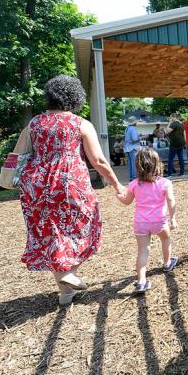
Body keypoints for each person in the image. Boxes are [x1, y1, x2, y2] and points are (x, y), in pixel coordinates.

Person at [16, 75, 124, 305]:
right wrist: (116, 184)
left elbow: (19, 155)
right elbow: (99, 161)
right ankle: (67, 273)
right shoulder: (80, 124)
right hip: (68, 182)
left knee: (52, 232)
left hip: (35, 184)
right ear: (76, 97)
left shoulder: (34, 123)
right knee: (86, 223)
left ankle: (66, 291)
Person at [116, 148, 178, 293]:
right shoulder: (165, 183)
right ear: (158, 164)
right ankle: (167, 263)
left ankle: (141, 281)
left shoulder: (134, 184)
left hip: (141, 222)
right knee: (166, 239)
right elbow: (170, 199)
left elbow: (126, 201)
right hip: (159, 221)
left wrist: (118, 195)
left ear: (138, 166)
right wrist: (173, 218)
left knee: (143, 250)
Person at [164, 113, 186, 178]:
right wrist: (185, 142)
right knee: (181, 158)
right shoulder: (181, 123)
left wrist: (169, 123)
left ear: (173, 117)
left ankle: (169, 174)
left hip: (174, 143)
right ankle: (182, 172)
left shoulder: (174, 123)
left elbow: (166, 131)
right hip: (181, 142)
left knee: (171, 159)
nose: (170, 119)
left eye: (170, 118)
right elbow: (184, 133)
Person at [124, 116, 142, 181]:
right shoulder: (133, 128)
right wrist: (141, 137)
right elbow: (134, 139)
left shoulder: (127, 128)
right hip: (133, 148)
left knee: (131, 163)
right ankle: (134, 177)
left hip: (128, 148)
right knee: (134, 163)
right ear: (134, 122)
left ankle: (132, 177)